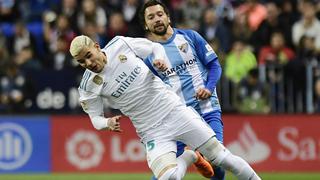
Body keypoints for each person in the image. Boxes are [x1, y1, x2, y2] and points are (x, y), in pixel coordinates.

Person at [69, 35, 261, 180]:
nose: (88, 63)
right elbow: (95, 119)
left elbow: (155, 47)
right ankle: (189, 156)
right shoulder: (88, 86)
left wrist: (160, 59)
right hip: (151, 131)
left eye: (88, 56)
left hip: (175, 112)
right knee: (169, 178)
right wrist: (106, 122)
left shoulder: (121, 44)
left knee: (222, 159)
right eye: (81, 62)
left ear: (96, 46)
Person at [139, 1, 225, 179]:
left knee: (217, 160)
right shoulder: (149, 58)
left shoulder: (190, 37)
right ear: (146, 25)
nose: (157, 19)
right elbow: (148, 92)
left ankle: (200, 158)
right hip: (178, 118)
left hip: (207, 109)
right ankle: (190, 157)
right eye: (151, 17)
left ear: (168, 17)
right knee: (165, 172)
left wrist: (209, 88)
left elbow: (215, 65)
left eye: (160, 14)